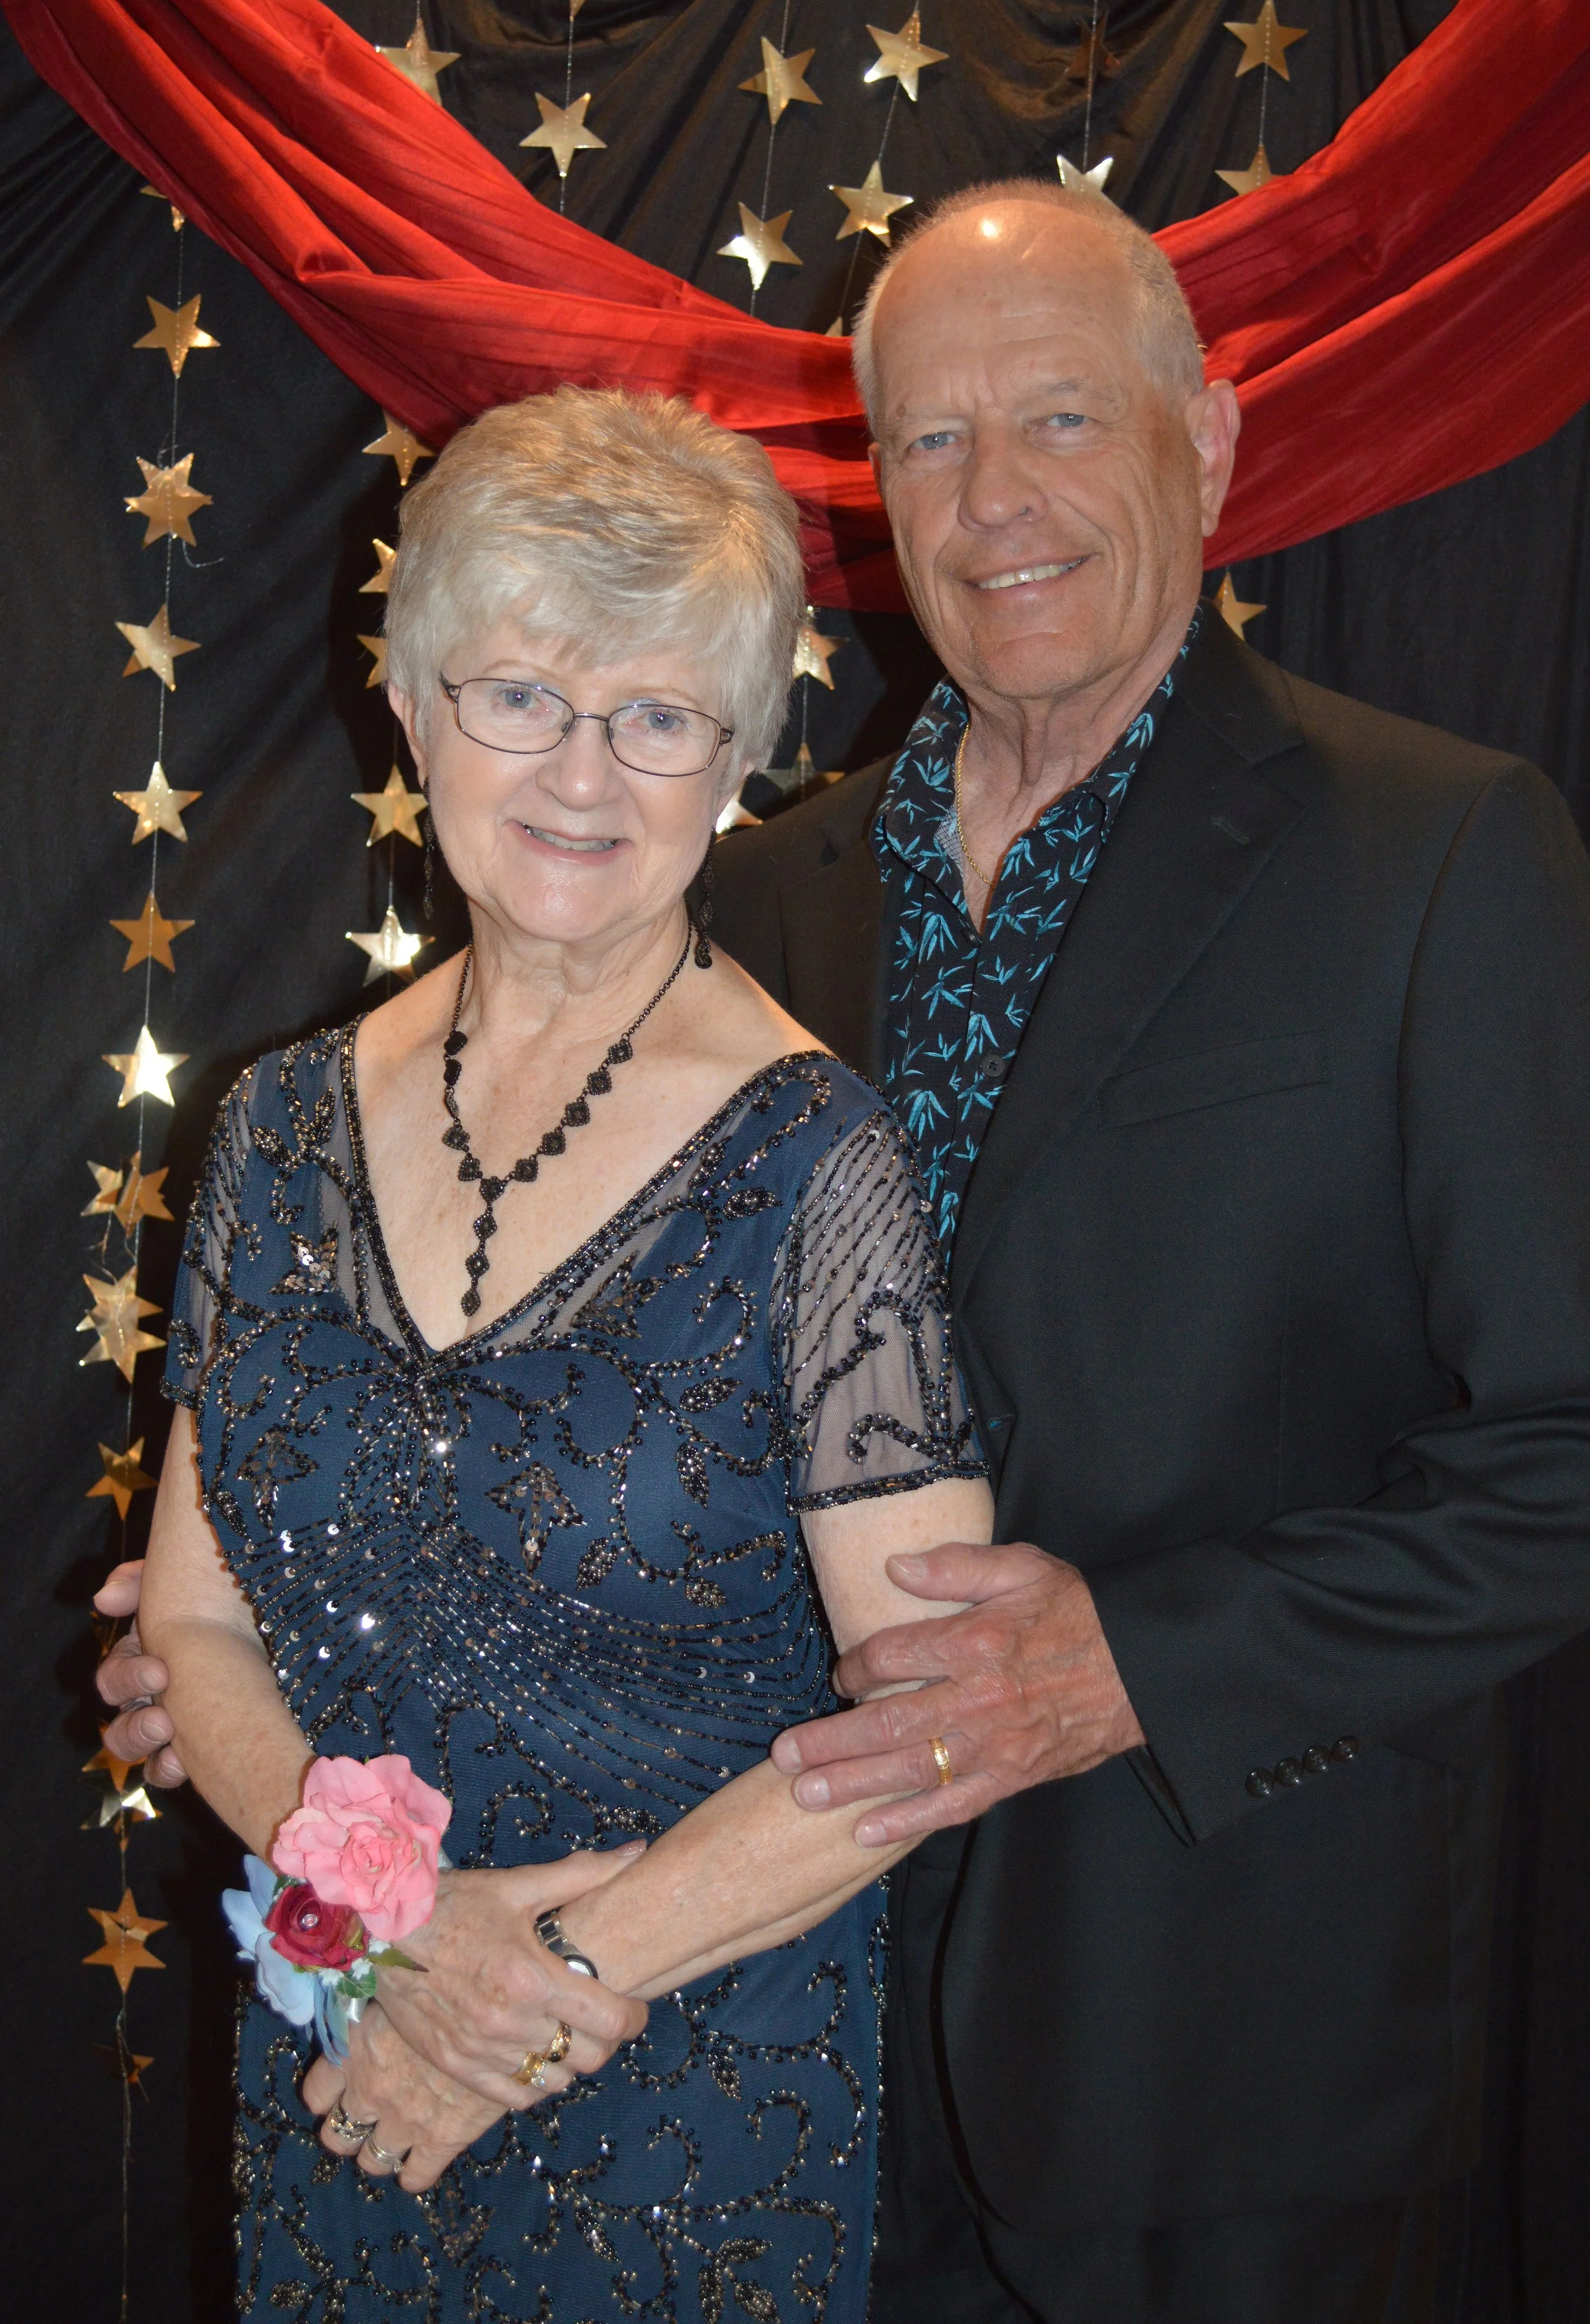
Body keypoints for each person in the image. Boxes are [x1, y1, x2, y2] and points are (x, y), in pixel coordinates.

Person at [100, 179, 1590, 2324]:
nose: (997, 499)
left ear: (1216, 440)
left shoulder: (1438, 857)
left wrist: (1127, 1667)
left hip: (1199, 2045)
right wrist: (298, 1646)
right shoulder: (743, 893)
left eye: (1062, 419)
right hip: (748, 2012)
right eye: (927, 441)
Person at [122, 383, 992, 2324]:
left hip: (683, 2088)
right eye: (520, 691)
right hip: (347, 2042)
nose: (584, 771)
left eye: (661, 716)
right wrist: (385, 1942)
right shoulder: (270, 1136)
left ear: (740, 754)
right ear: (417, 705)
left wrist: (559, 1976)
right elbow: (193, 1632)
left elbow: (934, 1716)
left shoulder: (815, 1163)